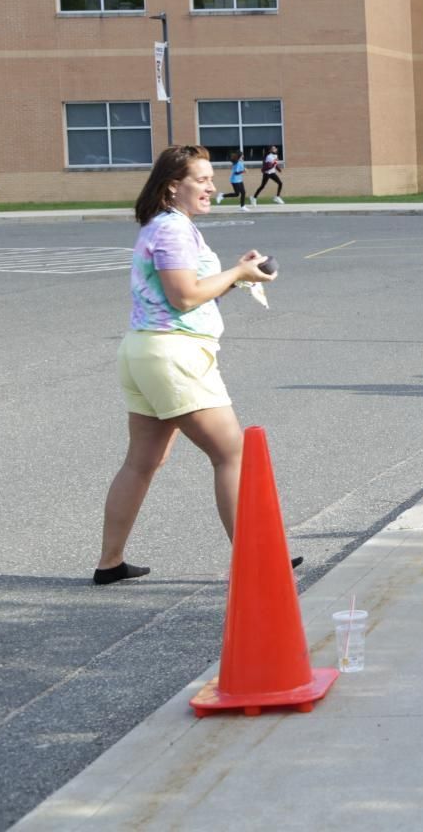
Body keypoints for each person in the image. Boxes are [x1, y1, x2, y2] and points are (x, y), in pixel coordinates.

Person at [94, 145, 277, 585]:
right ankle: (255, 563)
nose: (213, 187)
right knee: (231, 453)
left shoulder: (168, 226)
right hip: (173, 354)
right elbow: (185, 296)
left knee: (142, 461)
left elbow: (189, 293)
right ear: (173, 185)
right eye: (202, 179)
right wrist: (237, 274)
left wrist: (236, 274)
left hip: (146, 349)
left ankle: (110, 564)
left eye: (212, 180)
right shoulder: (174, 230)